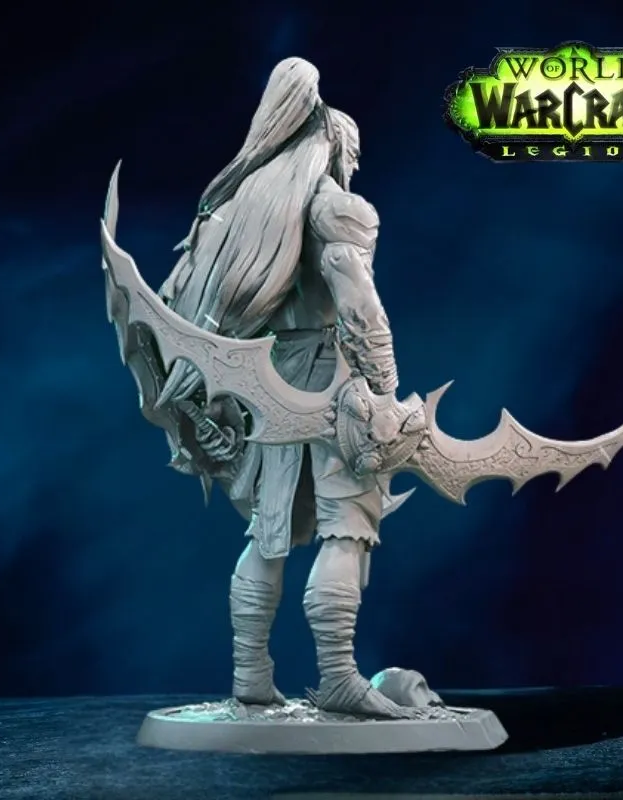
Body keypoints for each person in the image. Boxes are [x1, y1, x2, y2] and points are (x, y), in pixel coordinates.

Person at [156, 57, 411, 718]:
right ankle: (339, 678)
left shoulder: (238, 210)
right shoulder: (333, 209)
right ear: (332, 145)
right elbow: (358, 304)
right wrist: (385, 384)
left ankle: (250, 675)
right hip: (333, 386)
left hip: (268, 385)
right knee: (347, 526)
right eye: (352, 152)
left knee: (267, 534)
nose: (355, 164)